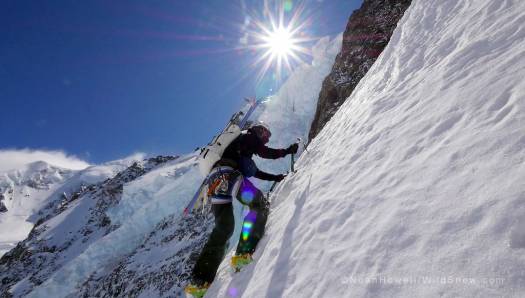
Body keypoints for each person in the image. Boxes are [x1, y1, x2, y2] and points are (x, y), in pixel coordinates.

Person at [185, 122, 298, 296]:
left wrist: (276, 177)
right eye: (266, 135)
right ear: (259, 130)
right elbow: (266, 153)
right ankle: (243, 253)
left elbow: (256, 172)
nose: (266, 140)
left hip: (215, 180)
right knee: (258, 204)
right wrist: (288, 151)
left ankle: (199, 282)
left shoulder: (239, 147)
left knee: (224, 227)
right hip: (230, 175)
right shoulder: (250, 137)